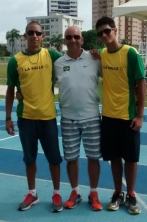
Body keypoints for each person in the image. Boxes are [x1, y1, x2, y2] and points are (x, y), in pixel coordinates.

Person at [5, 21, 63, 212]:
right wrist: (7, 117)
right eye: (31, 33)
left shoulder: (51, 55)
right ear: (25, 36)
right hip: (26, 118)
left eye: (38, 33)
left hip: (48, 118)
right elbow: (10, 89)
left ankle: (56, 193)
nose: (34, 36)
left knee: (54, 158)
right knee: (29, 159)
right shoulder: (15, 61)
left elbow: (72, 61)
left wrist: (92, 55)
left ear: (43, 36)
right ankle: (32, 193)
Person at [95, 16, 146, 214]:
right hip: (108, 116)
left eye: (107, 30)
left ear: (115, 30)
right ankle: (118, 192)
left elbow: (141, 84)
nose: (104, 35)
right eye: (100, 33)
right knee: (114, 157)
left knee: (131, 158)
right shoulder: (101, 54)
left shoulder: (131, 53)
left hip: (128, 116)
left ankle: (131, 194)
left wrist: (140, 115)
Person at [54, 26, 102, 211]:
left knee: (93, 157)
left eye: (76, 37)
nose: (72, 40)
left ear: (82, 39)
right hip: (68, 118)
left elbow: (113, 76)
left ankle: (94, 192)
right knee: (71, 158)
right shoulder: (58, 63)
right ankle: (75, 192)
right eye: (69, 37)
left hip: (91, 117)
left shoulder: (95, 58)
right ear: (64, 40)